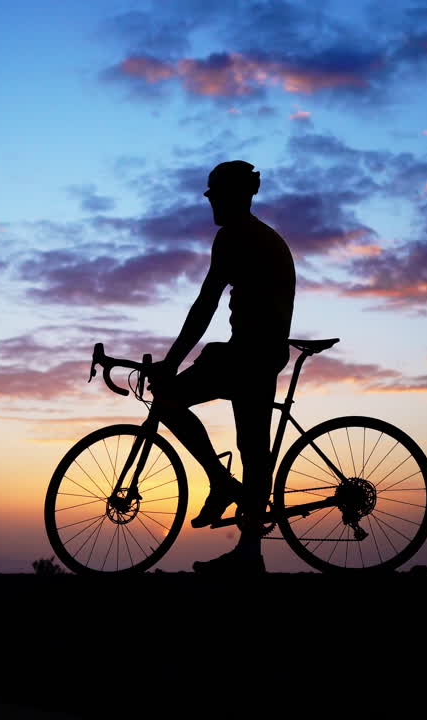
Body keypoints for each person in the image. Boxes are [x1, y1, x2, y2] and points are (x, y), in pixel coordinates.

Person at [148, 160, 296, 574]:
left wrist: (172, 362)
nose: (210, 202)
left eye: (216, 195)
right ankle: (248, 549)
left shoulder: (236, 237)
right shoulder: (258, 236)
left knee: (170, 399)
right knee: (252, 448)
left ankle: (222, 487)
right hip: (255, 352)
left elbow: (206, 303)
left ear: (236, 196)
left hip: (252, 354)